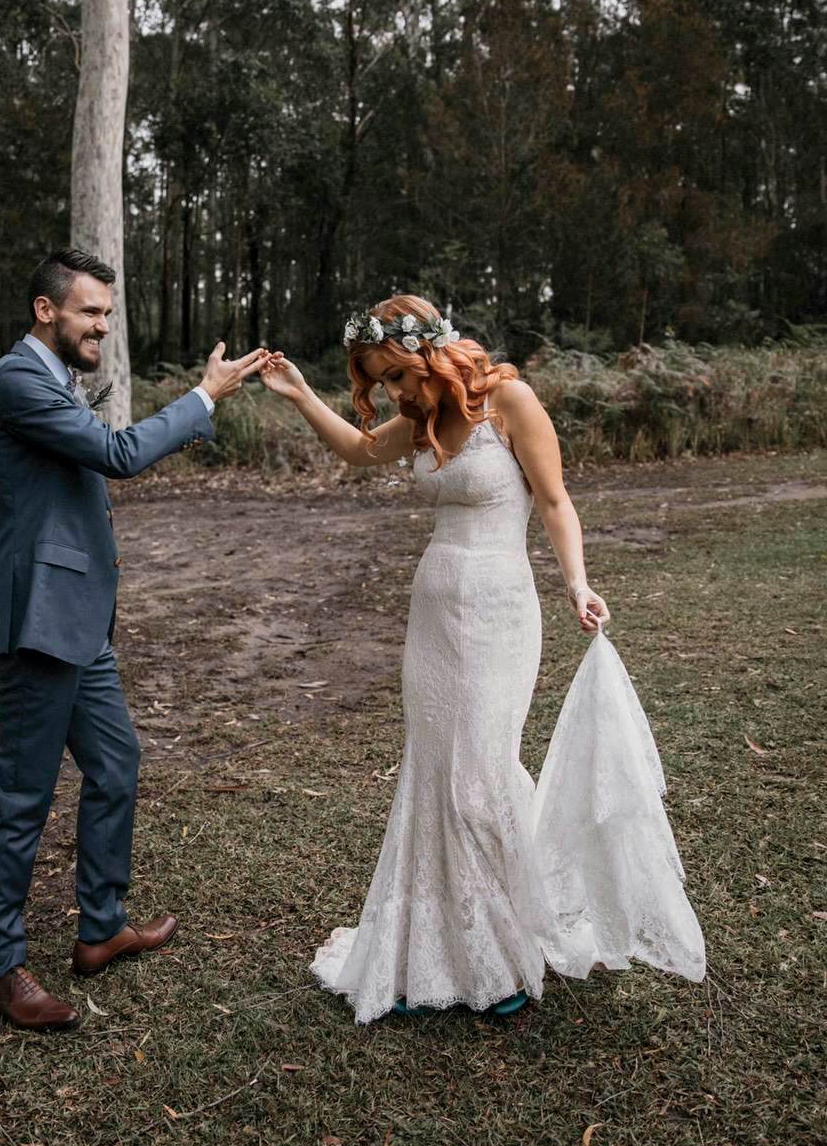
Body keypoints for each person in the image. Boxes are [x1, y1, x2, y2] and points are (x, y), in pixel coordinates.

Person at [260, 295, 704, 1024]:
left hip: (500, 613)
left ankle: (501, 949)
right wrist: (302, 394)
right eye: (381, 382)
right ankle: (437, 953)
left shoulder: (509, 402)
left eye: (395, 375)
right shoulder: (424, 419)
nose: (393, 393)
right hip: (434, 612)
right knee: (435, 775)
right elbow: (360, 450)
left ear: (427, 352)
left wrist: (578, 583)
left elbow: (555, 502)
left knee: (479, 777)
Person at [0, 248, 265, 1031]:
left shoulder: (55, 380)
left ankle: (100, 927)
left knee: (115, 765)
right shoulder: (18, 380)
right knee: (23, 798)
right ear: (46, 310)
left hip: (79, 621)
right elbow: (118, 454)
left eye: (108, 313)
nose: (103, 325)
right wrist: (204, 396)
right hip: (40, 621)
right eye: (91, 312)